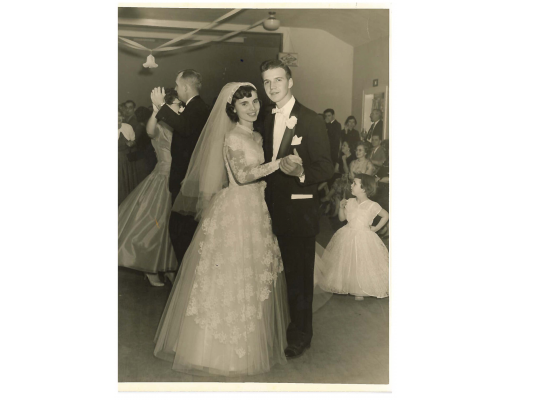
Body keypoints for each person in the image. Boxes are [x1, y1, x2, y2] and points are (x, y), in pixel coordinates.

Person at [153, 82, 297, 376]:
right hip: (236, 211)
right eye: (245, 103)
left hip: (255, 211)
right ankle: (221, 352)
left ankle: (248, 345)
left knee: (252, 278)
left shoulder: (256, 135)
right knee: (230, 278)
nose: (253, 107)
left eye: (255, 101)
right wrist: (277, 165)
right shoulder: (232, 137)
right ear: (233, 108)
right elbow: (243, 177)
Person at [260, 60, 332, 359]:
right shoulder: (265, 117)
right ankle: (275, 327)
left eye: (278, 80)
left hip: (299, 211)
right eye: (267, 82)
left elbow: (326, 167)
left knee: (299, 277)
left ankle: (301, 335)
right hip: (267, 208)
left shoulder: (311, 119)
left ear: (291, 82)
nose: (273, 87)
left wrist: (301, 174)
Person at [118, 89, 183, 287]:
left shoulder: (180, 127)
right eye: (178, 105)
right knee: (155, 225)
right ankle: (149, 268)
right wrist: (157, 109)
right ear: (168, 106)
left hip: (179, 179)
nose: (181, 108)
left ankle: (169, 267)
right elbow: (148, 131)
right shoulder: (159, 126)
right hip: (162, 178)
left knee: (173, 226)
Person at [151, 69, 212, 273]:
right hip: (185, 178)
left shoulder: (198, 107)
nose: (176, 89)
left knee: (181, 231)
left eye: (177, 86)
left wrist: (161, 106)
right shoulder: (194, 106)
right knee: (180, 230)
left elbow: (184, 128)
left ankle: (186, 278)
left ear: (185, 87)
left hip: (189, 179)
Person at [318, 174, 389, 300]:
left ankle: (360, 289)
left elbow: (386, 215)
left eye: (354, 183)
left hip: (364, 236)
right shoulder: (349, 202)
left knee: (362, 261)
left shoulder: (372, 205)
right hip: (347, 233)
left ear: (364, 188)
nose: (351, 185)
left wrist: (376, 228)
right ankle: (347, 285)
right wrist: (341, 207)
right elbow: (342, 218)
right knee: (346, 260)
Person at [118, 122, 139, 204]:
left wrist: (132, 143)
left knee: (129, 179)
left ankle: (130, 201)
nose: (119, 118)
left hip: (128, 159)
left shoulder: (128, 127)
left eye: (120, 115)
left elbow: (134, 141)